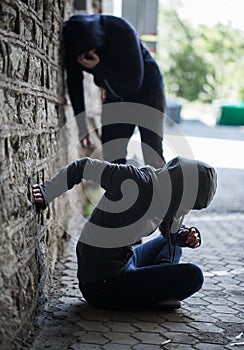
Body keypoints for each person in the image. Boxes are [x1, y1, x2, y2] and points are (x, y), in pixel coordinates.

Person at [32, 156, 217, 310]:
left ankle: (154, 288)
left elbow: (170, 231)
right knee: (194, 275)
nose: (185, 211)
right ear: (179, 189)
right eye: (186, 204)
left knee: (170, 246)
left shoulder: (168, 197)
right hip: (101, 283)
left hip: (125, 261)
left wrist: (185, 237)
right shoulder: (133, 181)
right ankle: (152, 294)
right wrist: (47, 191)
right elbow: (83, 166)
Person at [62, 14, 166, 167]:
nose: (90, 53)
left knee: (152, 154)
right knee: (112, 155)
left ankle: (163, 189)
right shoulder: (74, 41)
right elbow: (74, 83)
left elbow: (134, 82)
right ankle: (119, 191)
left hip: (147, 91)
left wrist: (98, 68)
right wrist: (82, 127)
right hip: (116, 95)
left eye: (93, 49)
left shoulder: (122, 31)